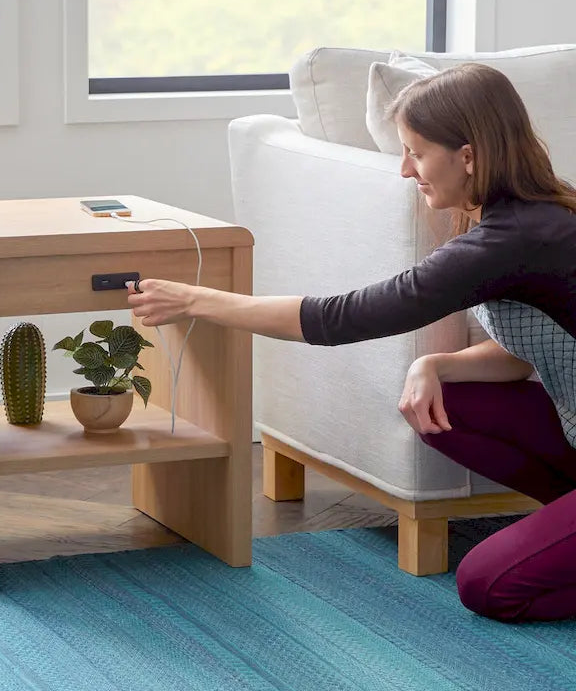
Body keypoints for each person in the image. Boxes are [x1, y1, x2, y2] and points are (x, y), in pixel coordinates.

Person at [125, 63, 576, 623]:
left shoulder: (515, 238)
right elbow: (527, 353)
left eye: (417, 153)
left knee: (487, 585)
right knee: (446, 405)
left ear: (468, 156)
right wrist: (436, 364)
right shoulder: (525, 221)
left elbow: (341, 318)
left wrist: (195, 300)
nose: (406, 170)